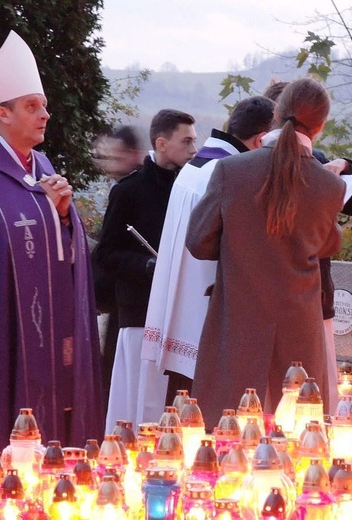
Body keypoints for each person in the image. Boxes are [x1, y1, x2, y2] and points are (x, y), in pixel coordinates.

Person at [0, 31, 102, 459]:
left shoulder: (41, 165)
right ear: (3, 114)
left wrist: (63, 216)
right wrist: (46, 213)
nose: (45, 114)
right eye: (32, 106)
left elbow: (59, 245)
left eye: (44, 105)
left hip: (49, 328)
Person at [186, 77, 346, 431]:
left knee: (231, 438)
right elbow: (327, 243)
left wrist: (239, 244)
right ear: (321, 126)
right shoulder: (329, 185)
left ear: (276, 113)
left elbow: (199, 241)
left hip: (239, 323)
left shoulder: (232, 170)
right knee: (300, 440)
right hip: (300, 326)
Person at [140, 96, 275, 420]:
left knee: (181, 404)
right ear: (260, 140)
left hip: (182, 312)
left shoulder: (196, 165)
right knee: (205, 418)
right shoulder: (229, 173)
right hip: (207, 315)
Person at [264, 79, 352, 408]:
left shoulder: (319, 163)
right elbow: (331, 240)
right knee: (303, 400)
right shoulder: (253, 165)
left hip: (312, 297)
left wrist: (344, 166)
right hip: (287, 297)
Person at [95, 109, 197, 433]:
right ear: (163, 143)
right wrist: (149, 265)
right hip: (140, 313)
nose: (195, 149)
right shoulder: (128, 191)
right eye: (187, 140)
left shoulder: (193, 187)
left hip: (181, 316)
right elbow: (106, 254)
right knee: (138, 405)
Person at [90, 125, 145, 411]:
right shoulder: (124, 187)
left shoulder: (135, 188)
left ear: (132, 153)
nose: (109, 164)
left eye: (115, 156)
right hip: (116, 306)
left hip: (131, 306)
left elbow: (110, 252)